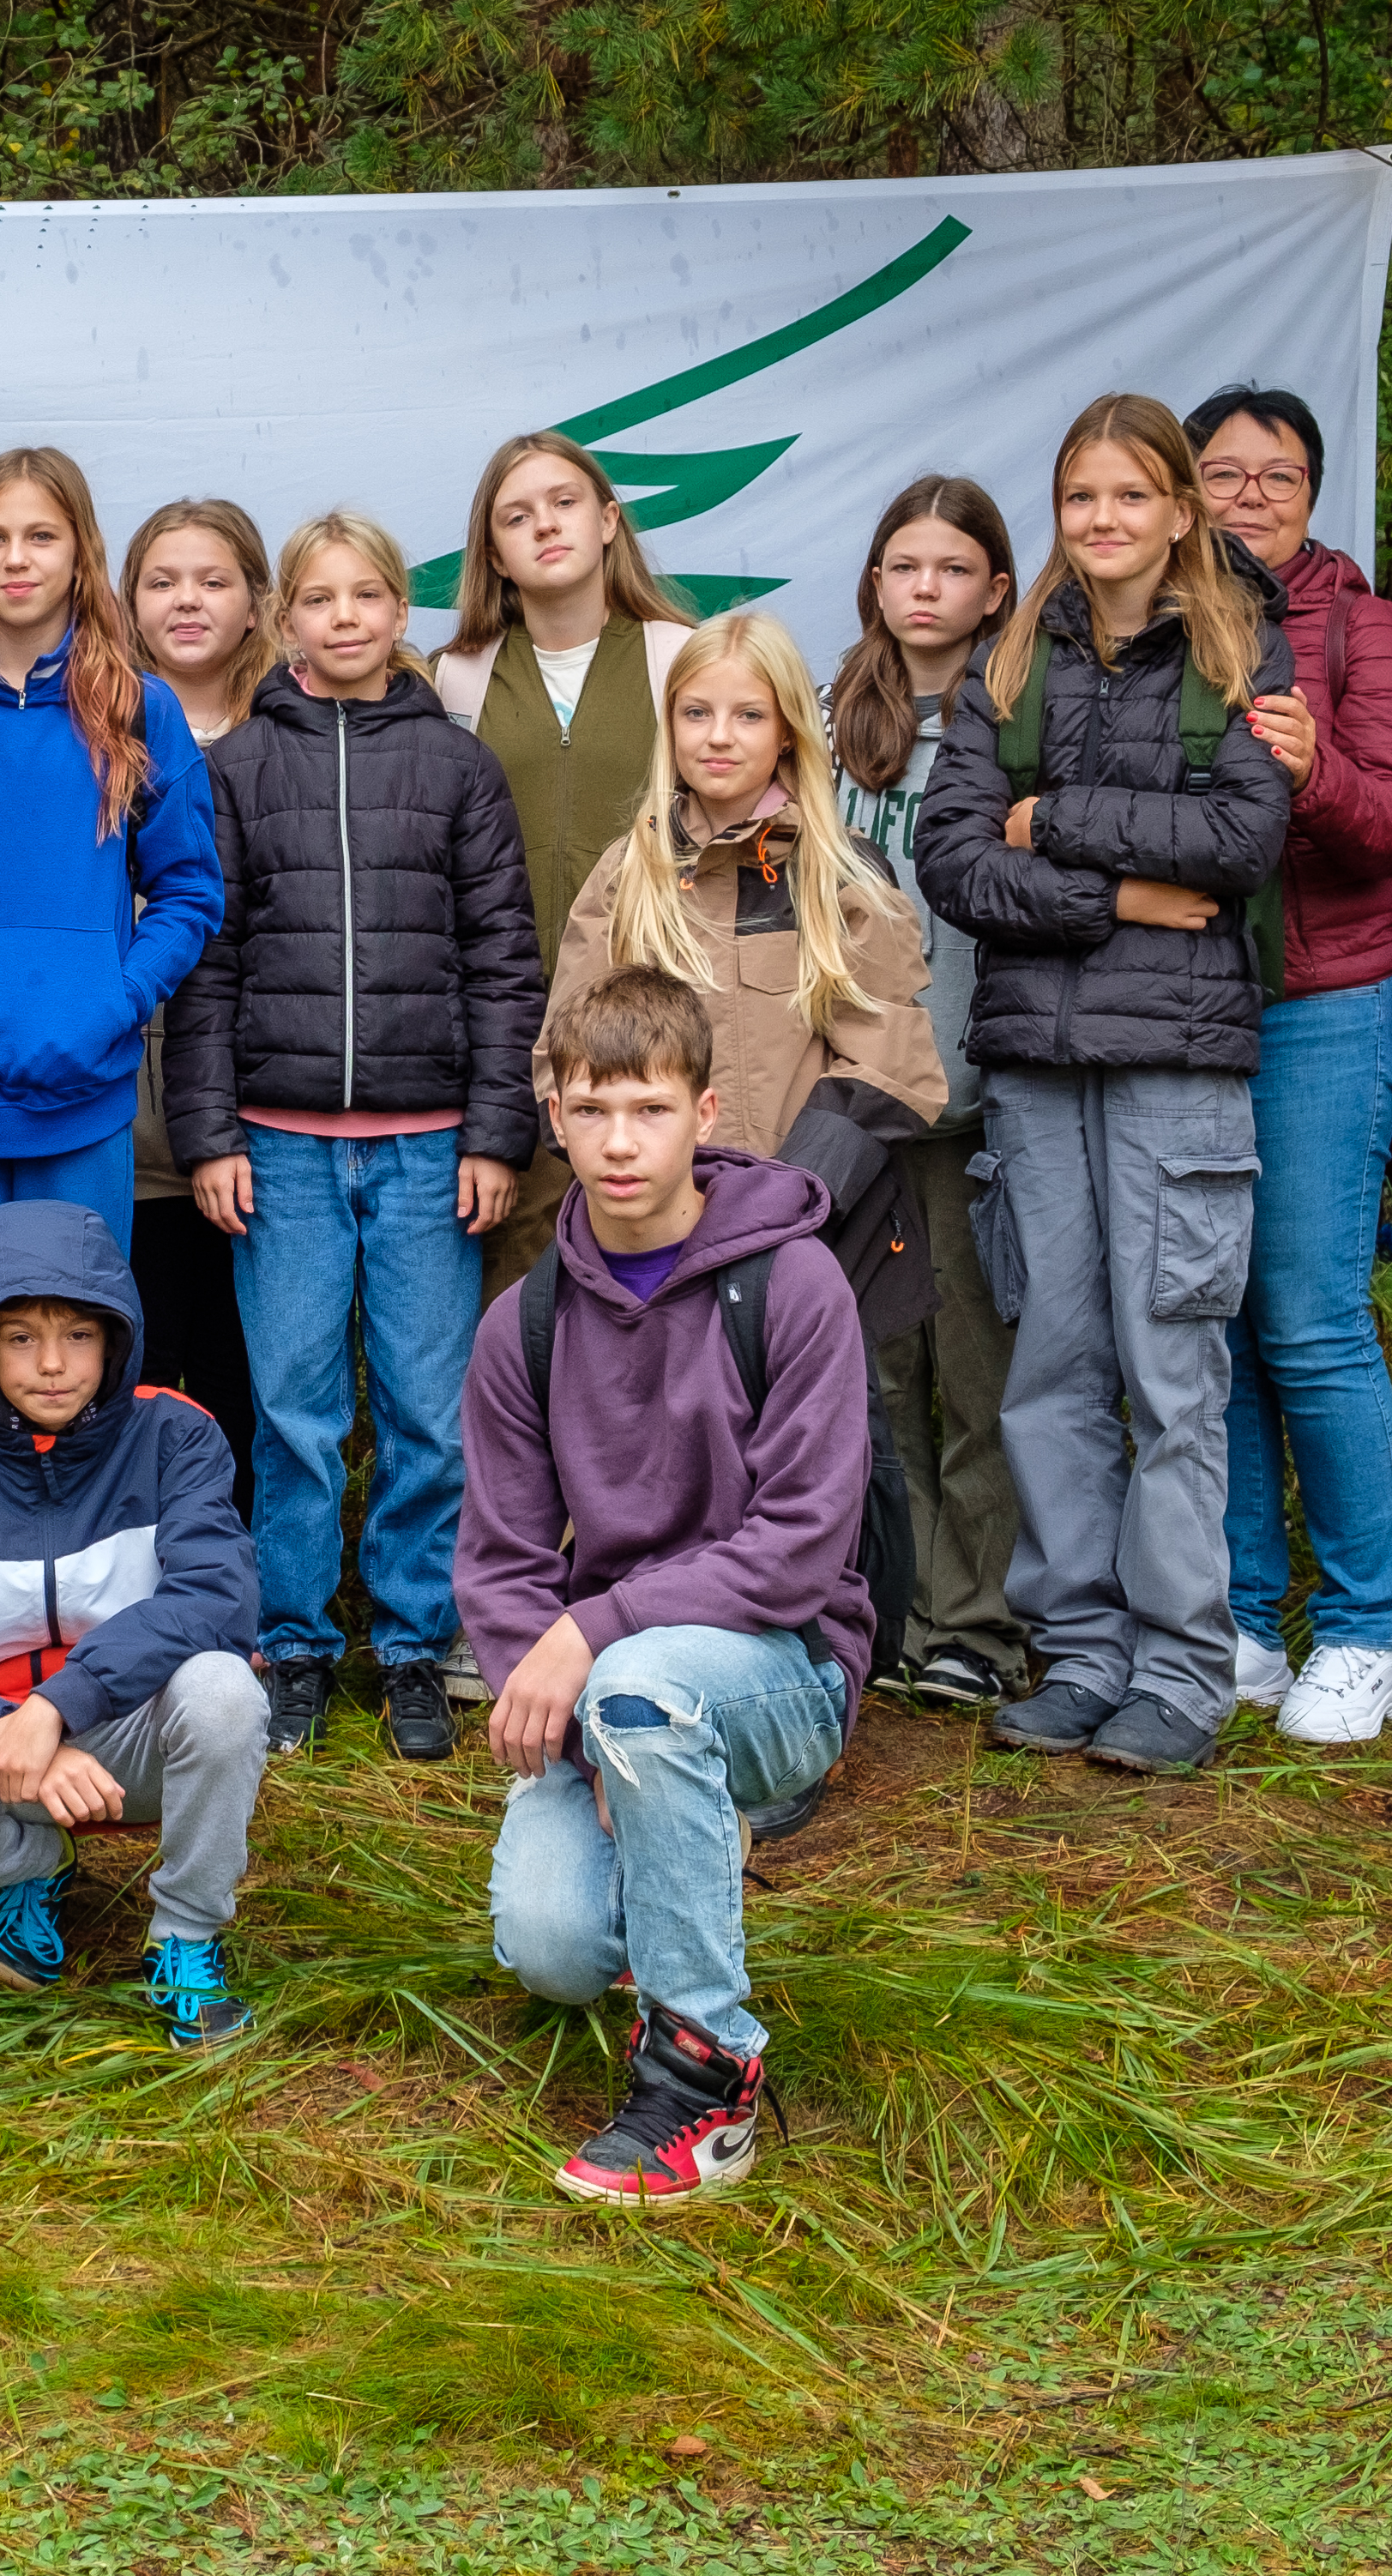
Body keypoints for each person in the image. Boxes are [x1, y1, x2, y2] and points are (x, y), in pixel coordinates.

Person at [914, 394, 1295, 1780]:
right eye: (1082, 498)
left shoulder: (1240, 648)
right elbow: (956, 861)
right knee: (1053, 1371)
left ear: (1181, 512)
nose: (1105, 522)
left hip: (1179, 1070)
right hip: (1032, 1062)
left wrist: (1058, 823)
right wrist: (1124, 888)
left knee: (1173, 1374)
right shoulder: (1011, 664)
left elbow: (1247, 834)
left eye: (1132, 497)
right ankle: (1081, 1654)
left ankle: (1183, 1670)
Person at [467, 969, 878, 2205]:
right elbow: (498, 1563)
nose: (620, 1141)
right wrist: (577, 1718)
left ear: (706, 1113)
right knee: (549, 1948)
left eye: (649, 1108)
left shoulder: (796, 1287)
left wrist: (596, 1649)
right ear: (554, 1114)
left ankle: (709, 2079)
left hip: (782, 1669)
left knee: (643, 1693)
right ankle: (671, 1809)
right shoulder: (525, 1324)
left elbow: (801, 1544)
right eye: (592, 1110)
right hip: (623, 1693)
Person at [164, 510, 536, 1764]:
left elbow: (503, 966)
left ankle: (415, 1646)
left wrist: (498, 1134)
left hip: (435, 1147)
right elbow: (204, 972)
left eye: (365, 596)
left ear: (399, 614)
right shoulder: (241, 769)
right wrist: (210, 1134)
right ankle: (300, 1646)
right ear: (288, 620)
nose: (340, 619)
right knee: (296, 1411)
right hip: (280, 1147)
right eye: (317, 600)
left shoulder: (458, 768)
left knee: (432, 1409)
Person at [549, 611, 947, 1718]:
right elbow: (565, 1049)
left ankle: (838, 1679)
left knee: (835, 1452)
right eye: (696, 713)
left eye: (747, 714)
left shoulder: (840, 874)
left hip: (809, 1232)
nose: (719, 736)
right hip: (653, 1235)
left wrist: (772, 1213)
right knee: (665, 1447)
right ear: (668, 727)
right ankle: (664, 1662)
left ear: (787, 733)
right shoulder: (632, 877)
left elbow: (890, 1068)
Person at [0, 1201, 267, 2049]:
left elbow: (217, 1597)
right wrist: (13, 1733)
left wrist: (57, 1708)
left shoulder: (177, 1437)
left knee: (225, 1687)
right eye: (21, 1337)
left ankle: (185, 1934)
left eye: (78, 1334)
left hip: (137, 1741)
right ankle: (40, 1867)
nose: (51, 1365)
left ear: (115, 1338)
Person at [1184, 385, 1392, 1747]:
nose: (1248, 497)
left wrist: (1315, 765)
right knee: (1213, 1322)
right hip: (1178, 1006)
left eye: (1275, 476)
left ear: (1311, 490)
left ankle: (1363, 1630)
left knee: (1308, 1315)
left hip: (1325, 1001)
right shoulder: (1153, 618)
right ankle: (1241, 1616)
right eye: (1221, 475)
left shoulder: (1362, 624)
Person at [0, 447, 225, 1322]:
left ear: (78, 553)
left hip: (85, 1087)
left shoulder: (138, 707)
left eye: (40, 536)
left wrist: (119, 996)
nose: (17, 559)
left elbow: (188, 889)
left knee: (80, 1347)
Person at [822, 478, 1029, 1710]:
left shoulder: (1020, 722)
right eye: (904, 567)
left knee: (979, 1371)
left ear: (995, 590)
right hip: (849, 1109)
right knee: (873, 1370)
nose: (925, 590)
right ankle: (889, 1609)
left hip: (971, 1099)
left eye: (952, 570)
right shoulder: (826, 716)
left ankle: (979, 1622)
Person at [430, 431, 696, 1301]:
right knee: (525, 1303)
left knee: (665, 1298)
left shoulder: (679, 657)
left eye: (565, 502)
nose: (545, 525)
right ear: (493, 554)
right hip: (510, 1052)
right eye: (517, 515)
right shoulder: (453, 682)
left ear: (610, 520)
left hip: (657, 1040)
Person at [118, 496, 274, 1505]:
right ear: (127, 601)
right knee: (132, 1354)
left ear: (259, 604)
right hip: (125, 1105)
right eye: (163, 580)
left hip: (256, 1101)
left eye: (214, 580)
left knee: (238, 1370)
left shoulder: (293, 730)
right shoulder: (99, 722)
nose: (187, 600)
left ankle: (238, 1577)